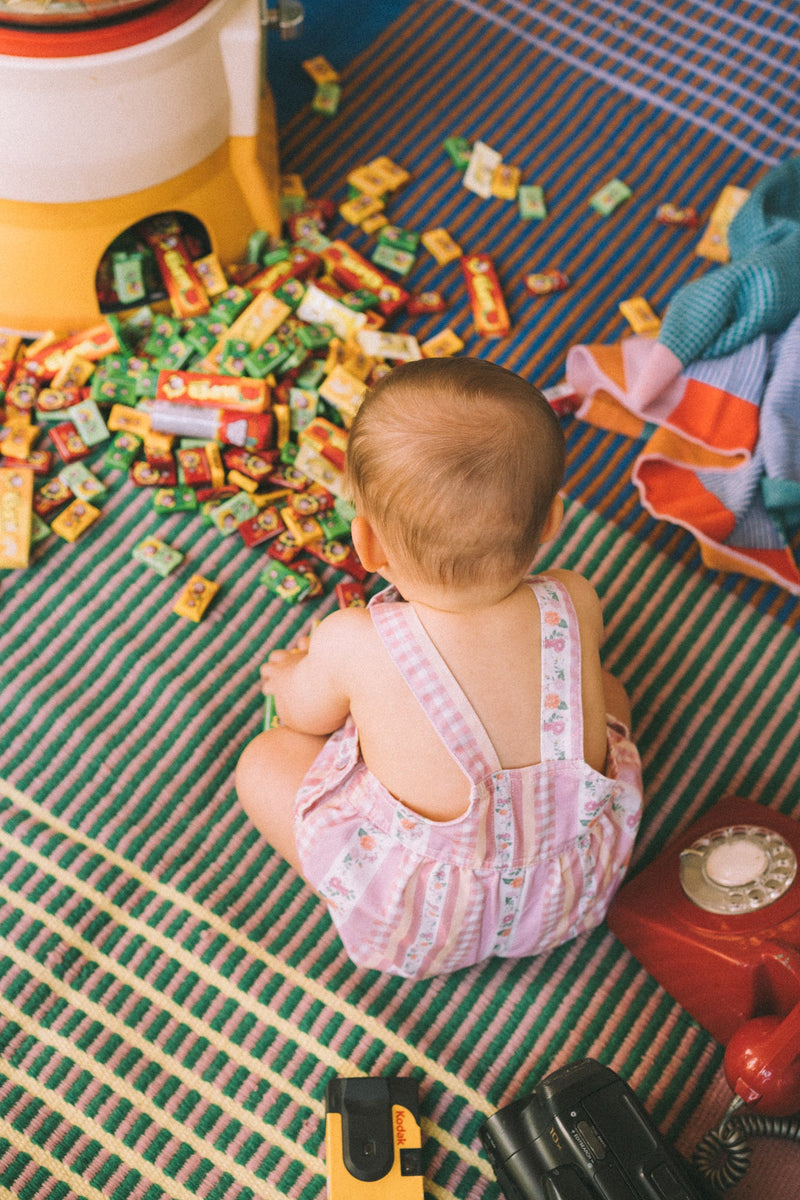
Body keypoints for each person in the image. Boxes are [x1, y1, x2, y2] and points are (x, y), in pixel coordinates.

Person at [236, 357, 643, 979]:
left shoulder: (354, 639)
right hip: (566, 896)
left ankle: (355, 894)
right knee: (608, 688)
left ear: (366, 544)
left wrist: (293, 670)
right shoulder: (575, 599)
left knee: (264, 762)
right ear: (553, 524)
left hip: (418, 924)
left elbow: (302, 715)